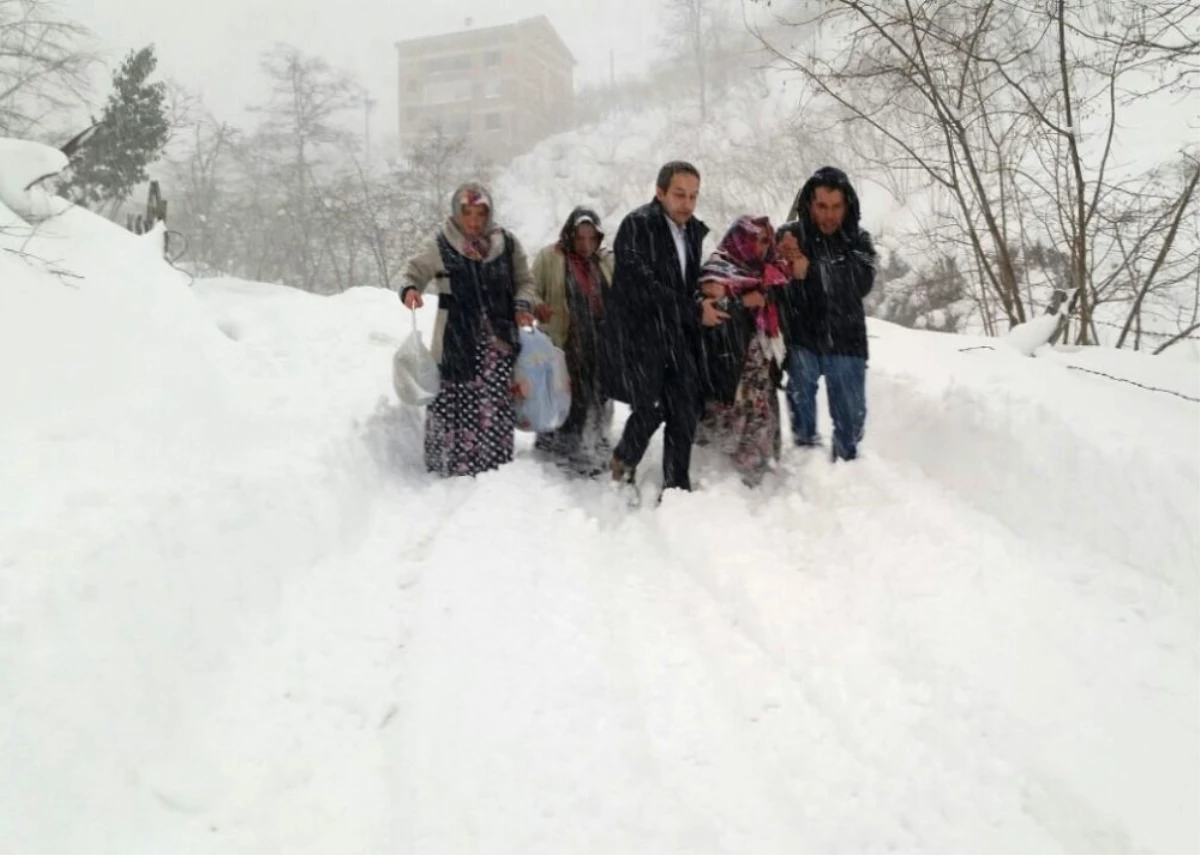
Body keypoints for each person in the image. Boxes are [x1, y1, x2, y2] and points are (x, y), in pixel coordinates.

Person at [602, 161, 726, 500]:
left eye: (693, 196)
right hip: (642, 334)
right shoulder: (637, 226)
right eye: (679, 195)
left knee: (684, 408)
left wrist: (705, 294)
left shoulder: (692, 232)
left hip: (679, 334)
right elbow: (641, 285)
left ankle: (676, 486)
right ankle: (623, 462)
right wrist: (693, 309)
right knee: (651, 406)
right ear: (660, 192)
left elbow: (681, 284)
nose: (687, 203)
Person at [399, 182, 539, 477]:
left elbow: (526, 281)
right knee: (456, 398)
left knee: (493, 400)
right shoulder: (441, 244)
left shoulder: (507, 244)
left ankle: (493, 464)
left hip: (498, 341)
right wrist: (410, 289)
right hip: (456, 338)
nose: (474, 221)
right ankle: (453, 464)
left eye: (480, 213)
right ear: (456, 213)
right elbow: (412, 272)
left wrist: (522, 305)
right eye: (467, 213)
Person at [777, 166, 877, 461]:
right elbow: (770, 276)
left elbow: (861, 281)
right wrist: (781, 258)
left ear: (847, 206)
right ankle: (808, 462)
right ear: (809, 203)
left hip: (846, 340)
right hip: (802, 338)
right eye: (822, 206)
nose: (829, 215)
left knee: (851, 422)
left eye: (836, 207)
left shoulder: (860, 240)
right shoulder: (789, 237)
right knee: (801, 405)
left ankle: (846, 467)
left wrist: (811, 270)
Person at [695, 215, 791, 486]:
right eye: (756, 241)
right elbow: (710, 315)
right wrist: (742, 301)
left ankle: (755, 473)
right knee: (729, 415)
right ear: (741, 240)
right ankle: (721, 478)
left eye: (765, 241)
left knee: (759, 410)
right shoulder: (718, 270)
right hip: (728, 362)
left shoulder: (769, 271)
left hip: (759, 362)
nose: (761, 247)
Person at [530, 207, 616, 476]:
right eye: (580, 238)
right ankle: (565, 448)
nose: (586, 244)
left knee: (600, 393)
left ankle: (596, 441)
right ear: (569, 235)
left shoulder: (604, 261)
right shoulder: (550, 257)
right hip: (565, 340)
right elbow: (529, 289)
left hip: (600, 340)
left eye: (592, 238)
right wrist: (537, 306)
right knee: (569, 396)